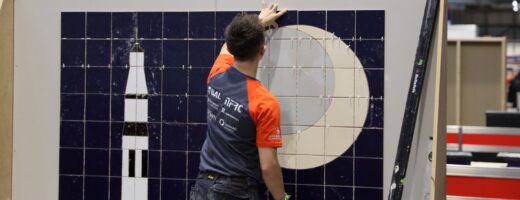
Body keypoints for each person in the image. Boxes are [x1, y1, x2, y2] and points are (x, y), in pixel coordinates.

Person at [189, 3, 289, 200]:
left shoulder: (216, 75)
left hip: (203, 184)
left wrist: (258, 22)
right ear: (262, 51)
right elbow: (268, 166)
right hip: (236, 191)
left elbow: (226, 47)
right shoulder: (264, 103)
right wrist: (282, 198)